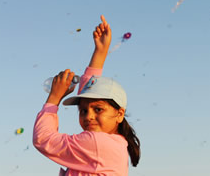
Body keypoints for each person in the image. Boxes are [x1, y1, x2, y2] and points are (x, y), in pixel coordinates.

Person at [33, 15, 140, 176]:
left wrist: (54, 98)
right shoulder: (111, 142)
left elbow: (43, 139)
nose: (88, 116)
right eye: (83, 111)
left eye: (98, 110)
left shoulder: (97, 143)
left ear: (119, 114)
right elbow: (90, 89)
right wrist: (100, 52)